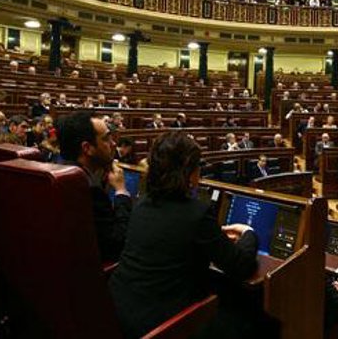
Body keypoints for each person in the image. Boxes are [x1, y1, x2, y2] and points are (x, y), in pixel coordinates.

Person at [109, 132, 258, 339]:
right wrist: (249, 233)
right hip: (163, 327)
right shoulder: (196, 213)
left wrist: (212, 234)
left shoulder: (142, 204)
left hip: (118, 312)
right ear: (188, 172)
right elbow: (241, 266)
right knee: (252, 320)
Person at [57, 111, 131, 262]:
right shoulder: (89, 190)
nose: (114, 144)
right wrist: (121, 191)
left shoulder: (58, 172)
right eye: (107, 138)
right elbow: (117, 244)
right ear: (87, 148)